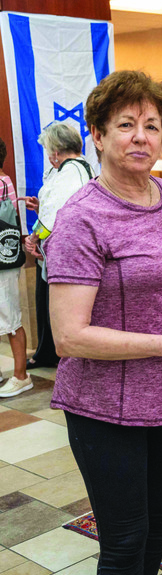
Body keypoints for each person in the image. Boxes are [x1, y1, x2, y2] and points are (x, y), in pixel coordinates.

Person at [44, 70, 162, 575]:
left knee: (156, 532)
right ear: (97, 134)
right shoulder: (83, 218)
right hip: (105, 407)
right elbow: (68, 337)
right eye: (125, 124)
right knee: (124, 540)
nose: (141, 136)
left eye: (152, 125)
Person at [21, 122, 93, 370]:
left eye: (49, 149)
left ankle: (56, 356)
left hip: (65, 252)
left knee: (56, 306)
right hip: (61, 249)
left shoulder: (72, 171)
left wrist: (34, 238)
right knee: (44, 301)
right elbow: (55, 208)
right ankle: (47, 352)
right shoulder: (72, 169)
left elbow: (57, 216)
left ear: (57, 149)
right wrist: (40, 208)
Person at [0, 139, 31, 398]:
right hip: (3, 259)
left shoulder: (1, 182)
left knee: (10, 318)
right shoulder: (5, 180)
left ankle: (21, 376)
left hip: (3, 263)